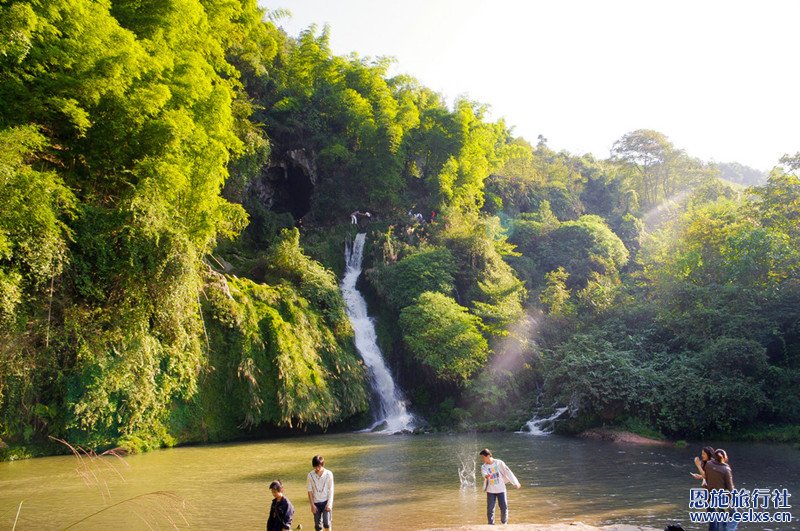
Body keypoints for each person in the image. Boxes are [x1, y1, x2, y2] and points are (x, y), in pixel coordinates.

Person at [479, 448, 521, 525]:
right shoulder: (483, 466)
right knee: (490, 509)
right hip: (490, 490)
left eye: (483, 457)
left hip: (501, 489)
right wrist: (486, 475)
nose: (482, 459)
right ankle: (491, 524)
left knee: (504, 507)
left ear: (488, 456)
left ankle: (504, 523)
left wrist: (516, 483)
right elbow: (483, 473)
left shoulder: (499, 463)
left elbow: (508, 472)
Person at [703, 448, 736, 531]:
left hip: (710, 497)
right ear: (724, 458)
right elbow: (730, 487)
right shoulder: (726, 469)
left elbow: (706, 478)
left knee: (714, 522)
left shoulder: (708, 464)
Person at [307, 455, 334, 531]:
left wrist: (329, 504)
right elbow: (309, 491)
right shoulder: (310, 475)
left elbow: (331, 490)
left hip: (326, 502)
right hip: (316, 503)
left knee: (327, 523)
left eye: (318, 467)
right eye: (315, 467)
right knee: (318, 527)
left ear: (322, 465)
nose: (317, 469)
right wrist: (312, 505)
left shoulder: (329, 474)